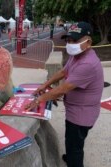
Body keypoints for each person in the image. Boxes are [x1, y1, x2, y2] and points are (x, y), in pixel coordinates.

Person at [25, 22, 104, 167]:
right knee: (72, 141)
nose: (70, 44)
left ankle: (74, 162)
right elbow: (63, 72)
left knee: (75, 146)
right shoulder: (77, 56)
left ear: (88, 42)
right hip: (75, 110)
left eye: (75, 40)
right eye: (68, 40)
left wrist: (39, 99)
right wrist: (45, 85)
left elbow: (63, 89)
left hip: (81, 116)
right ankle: (71, 156)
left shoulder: (88, 64)